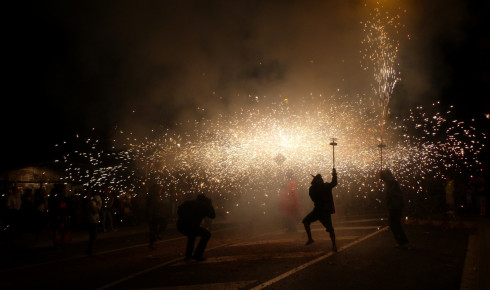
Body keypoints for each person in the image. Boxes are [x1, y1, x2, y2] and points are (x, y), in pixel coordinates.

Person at [302, 168, 338, 252]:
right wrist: (334, 174)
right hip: (324, 211)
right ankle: (334, 246)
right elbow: (334, 183)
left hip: (318, 210)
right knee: (330, 228)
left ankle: (310, 239)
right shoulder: (325, 186)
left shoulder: (312, 188)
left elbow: (313, 198)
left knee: (306, 221)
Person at [177, 194, 215, 261]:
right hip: (191, 226)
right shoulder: (203, 205)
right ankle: (197, 255)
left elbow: (179, 211)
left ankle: (188, 256)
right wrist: (210, 205)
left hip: (181, 225)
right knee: (207, 234)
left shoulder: (188, 203)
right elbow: (212, 215)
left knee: (192, 236)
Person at [378, 169, 409, 248]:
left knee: (394, 224)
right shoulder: (392, 182)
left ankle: (401, 242)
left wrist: (381, 176)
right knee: (395, 224)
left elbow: (390, 194)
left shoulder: (391, 183)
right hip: (395, 205)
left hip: (394, 206)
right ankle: (402, 241)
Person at [147, 183, 170, 249]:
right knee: (154, 228)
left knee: (154, 228)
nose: (159, 190)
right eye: (158, 189)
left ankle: (155, 239)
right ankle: (153, 242)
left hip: (155, 214)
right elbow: (150, 207)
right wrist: (150, 215)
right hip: (153, 214)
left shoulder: (155, 196)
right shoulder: (152, 196)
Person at [84, 189, 102, 256]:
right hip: (93, 221)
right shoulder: (92, 203)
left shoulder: (91, 202)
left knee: (93, 236)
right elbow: (96, 211)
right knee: (93, 236)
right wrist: (99, 205)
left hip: (93, 220)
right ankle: (91, 250)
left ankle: (90, 250)